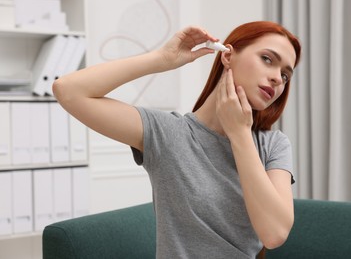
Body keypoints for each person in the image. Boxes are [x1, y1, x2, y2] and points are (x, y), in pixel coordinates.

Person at [53, 21, 301, 259]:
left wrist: (239, 133)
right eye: (267, 59)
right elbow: (68, 90)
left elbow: (275, 234)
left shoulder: (273, 145)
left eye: (285, 75)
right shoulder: (170, 134)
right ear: (227, 56)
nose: (278, 79)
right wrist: (161, 60)